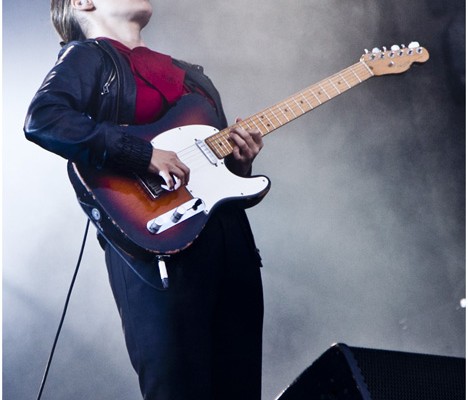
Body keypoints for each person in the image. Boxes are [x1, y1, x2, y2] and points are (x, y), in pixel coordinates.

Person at [24, 1, 265, 399]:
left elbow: (214, 177)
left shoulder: (193, 77)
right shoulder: (87, 58)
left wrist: (241, 162)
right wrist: (143, 155)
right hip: (154, 250)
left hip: (228, 246)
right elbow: (45, 118)